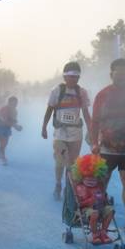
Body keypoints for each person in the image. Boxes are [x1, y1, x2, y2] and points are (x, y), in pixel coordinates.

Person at [90, 58, 125, 233]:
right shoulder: (103, 95)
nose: (123, 76)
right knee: (103, 181)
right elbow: (95, 121)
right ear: (111, 74)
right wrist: (94, 143)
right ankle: (98, 215)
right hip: (107, 146)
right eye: (119, 72)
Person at [42, 61, 92, 201]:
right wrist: (44, 127)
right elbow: (49, 109)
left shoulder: (82, 92)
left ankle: (68, 188)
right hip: (60, 133)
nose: (73, 79)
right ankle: (58, 184)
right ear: (64, 76)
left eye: (76, 76)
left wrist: (91, 130)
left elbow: (86, 113)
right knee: (60, 162)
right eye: (70, 76)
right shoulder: (57, 90)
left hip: (76, 134)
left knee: (72, 164)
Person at [71, 154, 115, 244]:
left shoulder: (99, 185)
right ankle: (95, 235)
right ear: (82, 175)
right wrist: (90, 201)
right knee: (94, 213)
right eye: (88, 177)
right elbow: (79, 204)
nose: (91, 179)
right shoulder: (80, 187)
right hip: (86, 210)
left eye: (93, 177)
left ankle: (103, 232)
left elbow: (102, 196)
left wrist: (105, 199)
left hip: (100, 206)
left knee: (111, 211)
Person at [0, 96, 22, 165]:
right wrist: (15, 126)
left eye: (16, 103)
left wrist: (17, 125)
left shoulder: (15, 110)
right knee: (3, 142)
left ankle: (0, 154)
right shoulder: (4, 109)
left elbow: (13, 120)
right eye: (14, 103)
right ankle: (3, 157)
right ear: (9, 102)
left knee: (5, 143)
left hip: (7, 128)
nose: (15, 105)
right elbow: (4, 120)